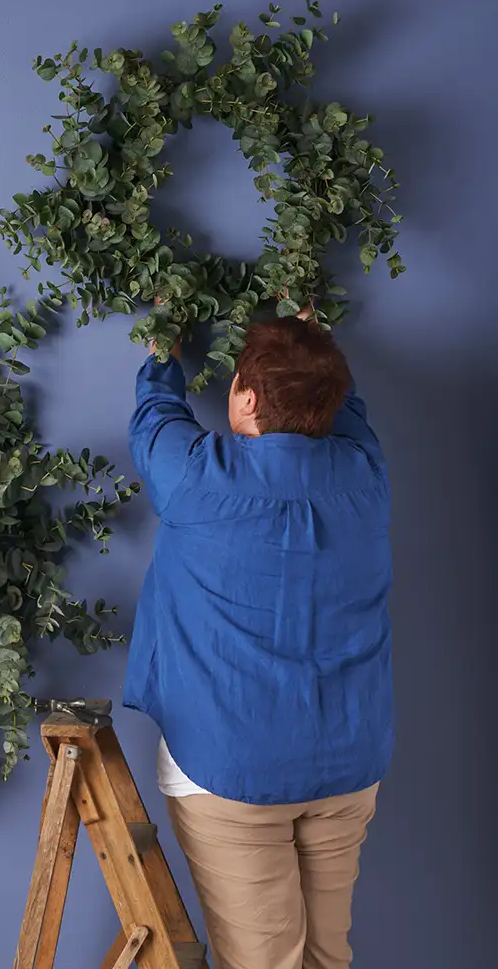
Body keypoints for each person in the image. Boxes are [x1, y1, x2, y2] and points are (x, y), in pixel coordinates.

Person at [124, 306, 393, 969]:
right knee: (328, 958)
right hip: (346, 765)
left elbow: (154, 416)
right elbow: (346, 407)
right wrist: (311, 356)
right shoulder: (366, 476)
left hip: (230, 769)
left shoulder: (195, 474)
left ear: (243, 394)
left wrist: (165, 355)